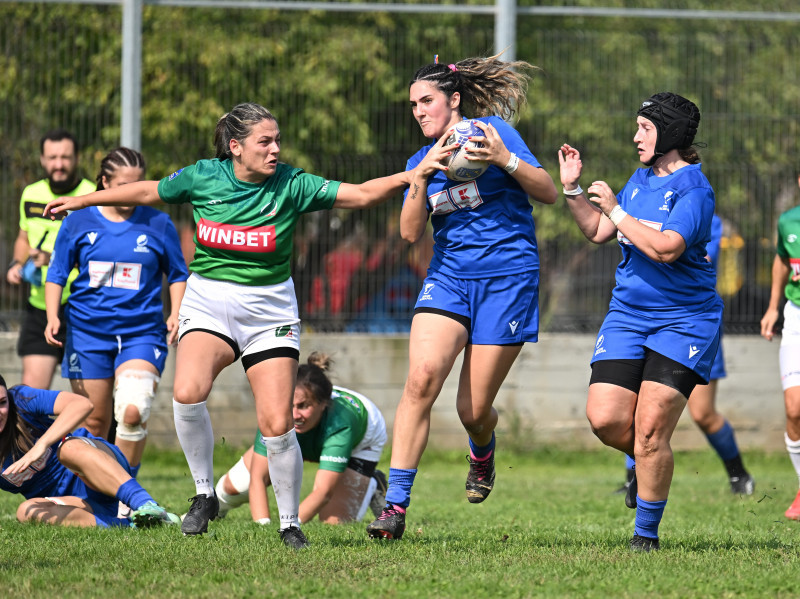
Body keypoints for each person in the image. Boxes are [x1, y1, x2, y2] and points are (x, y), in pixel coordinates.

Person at [44, 102, 414, 549]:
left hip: (270, 311)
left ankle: (289, 523)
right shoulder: (204, 176)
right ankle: (203, 495)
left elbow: (361, 194)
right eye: (265, 141)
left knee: (277, 423)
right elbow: (144, 193)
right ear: (236, 147)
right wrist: (83, 201)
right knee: (187, 392)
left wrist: (410, 175)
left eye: (278, 140)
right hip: (209, 302)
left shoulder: (293, 184)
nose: (276, 148)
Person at [366, 54, 558, 541]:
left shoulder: (493, 132)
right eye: (412, 105)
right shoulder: (420, 160)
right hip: (449, 278)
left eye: (425, 101)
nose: (418, 111)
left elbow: (548, 191)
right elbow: (411, 234)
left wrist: (503, 160)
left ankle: (482, 450)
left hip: (509, 278)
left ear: (453, 100)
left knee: (472, 410)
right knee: (421, 380)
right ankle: (395, 507)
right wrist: (422, 177)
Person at [558, 92, 723, 552]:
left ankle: (644, 537)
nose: (635, 137)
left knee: (650, 430)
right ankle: (643, 462)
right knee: (606, 419)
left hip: (685, 322)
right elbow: (597, 232)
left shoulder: (694, 189)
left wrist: (616, 209)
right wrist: (572, 190)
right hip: (628, 317)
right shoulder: (640, 178)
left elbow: (668, 247)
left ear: (669, 132)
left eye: (645, 129)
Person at [43, 147, 189, 474]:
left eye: (137, 185)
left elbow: (178, 273)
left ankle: (126, 501)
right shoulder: (78, 221)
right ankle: (96, 498)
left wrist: (176, 312)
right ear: (105, 182)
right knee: (94, 419)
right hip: (87, 333)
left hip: (141, 333)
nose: (130, 193)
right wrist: (53, 315)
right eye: (123, 185)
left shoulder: (159, 223)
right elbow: (57, 273)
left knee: (134, 410)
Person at [616, 214, 754, 498]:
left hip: (692, 324)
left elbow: (698, 256)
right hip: (645, 321)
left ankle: (739, 474)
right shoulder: (642, 211)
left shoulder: (704, 216)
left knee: (703, 413)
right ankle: (635, 478)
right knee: (637, 406)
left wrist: (656, 246)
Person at [214, 352, 388, 525]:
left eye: (304, 406)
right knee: (234, 487)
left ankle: (371, 485)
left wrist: (290, 527)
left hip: (362, 441)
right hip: (309, 433)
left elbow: (323, 492)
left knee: (333, 521)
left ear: (324, 404)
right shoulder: (276, 410)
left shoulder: (340, 424)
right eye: (290, 404)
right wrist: (263, 525)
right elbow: (257, 478)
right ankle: (214, 510)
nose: (295, 414)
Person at [0, 374, 179, 528]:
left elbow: (82, 404)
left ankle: (146, 504)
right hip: (74, 503)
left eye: (2, 403)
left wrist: (41, 445)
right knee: (25, 511)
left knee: (68, 448)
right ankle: (132, 525)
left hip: (94, 468)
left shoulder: (21, 400)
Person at [6, 129, 95, 389]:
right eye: (52, 157)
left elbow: (103, 252)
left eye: (65, 157)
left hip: (83, 307)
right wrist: (17, 264)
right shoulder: (30, 193)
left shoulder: (92, 196)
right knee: (30, 398)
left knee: (88, 401)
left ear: (77, 158)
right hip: (39, 308)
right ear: (43, 159)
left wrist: (56, 260)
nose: (59, 164)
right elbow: (24, 238)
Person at [760, 173, 800, 520]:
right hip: (796, 317)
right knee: (794, 408)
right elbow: (781, 261)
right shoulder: (789, 222)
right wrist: (773, 307)